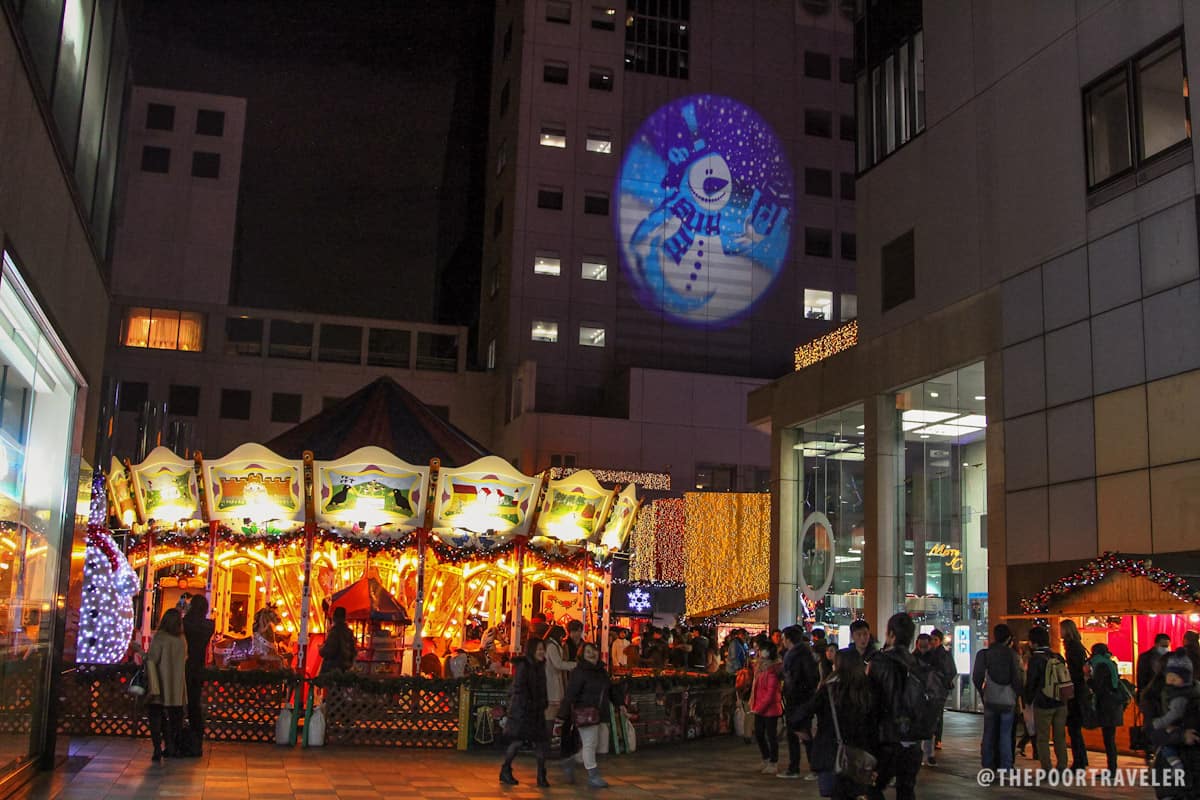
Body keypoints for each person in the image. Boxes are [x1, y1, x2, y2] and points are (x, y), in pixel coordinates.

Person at [797, 648, 878, 799]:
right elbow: (874, 726)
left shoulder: (828, 690)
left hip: (831, 753)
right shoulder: (867, 691)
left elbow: (800, 714)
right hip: (861, 756)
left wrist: (805, 734)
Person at [867, 613, 923, 800]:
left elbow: (871, 703)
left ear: (891, 634)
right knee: (906, 790)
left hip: (887, 738)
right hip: (913, 738)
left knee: (871, 787)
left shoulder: (879, 661)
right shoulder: (916, 663)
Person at [557, 642, 612, 788]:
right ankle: (593, 776)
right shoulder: (579, 672)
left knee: (595, 744)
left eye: (594, 651)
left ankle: (570, 762)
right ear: (582, 655)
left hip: (600, 712)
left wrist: (620, 704)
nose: (592, 654)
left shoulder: (602, 671)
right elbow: (571, 694)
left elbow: (610, 689)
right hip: (585, 712)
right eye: (588, 652)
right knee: (590, 744)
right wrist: (562, 714)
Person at [971, 623, 1023, 770]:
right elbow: (1017, 679)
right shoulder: (1012, 655)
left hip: (990, 699)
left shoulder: (985, 654)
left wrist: (983, 693)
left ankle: (987, 764)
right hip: (1008, 700)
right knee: (1005, 734)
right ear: (1008, 639)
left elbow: (977, 677)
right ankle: (1006, 766)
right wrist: (1016, 695)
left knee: (988, 733)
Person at [500, 638, 551, 787]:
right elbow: (519, 689)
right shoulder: (524, 666)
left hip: (537, 710)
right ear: (533, 651)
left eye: (543, 649)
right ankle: (506, 768)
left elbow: (542, 687)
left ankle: (541, 775)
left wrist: (543, 702)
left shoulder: (540, 666)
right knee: (518, 741)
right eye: (539, 649)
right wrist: (527, 705)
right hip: (524, 711)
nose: (542, 652)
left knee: (541, 743)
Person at [1024, 626, 1068, 772]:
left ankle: (1047, 768)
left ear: (1033, 642)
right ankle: (1062, 765)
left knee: (1042, 737)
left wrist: (1027, 700)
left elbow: (1031, 682)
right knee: (1059, 736)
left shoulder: (1036, 659)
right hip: (1061, 702)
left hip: (1043, 702)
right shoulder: (1058, 656)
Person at [146, 608, 187, 762]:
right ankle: (171, 747)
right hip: (176, 686)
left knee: (156, 717)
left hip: (159, 684)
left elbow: (152, 659)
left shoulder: (160, 637)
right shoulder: (181, 639)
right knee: (175, 718)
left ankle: (157, 748)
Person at [781, 625, 820, 780]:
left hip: (799, 700)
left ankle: (813, 767)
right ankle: (795, 767)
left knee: (803, 733)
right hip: (797, 699)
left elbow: (807, 678)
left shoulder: (798, 656)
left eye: (784, 638)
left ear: (788, 639)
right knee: (795, 733)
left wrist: (796, 692)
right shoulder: (797, 654)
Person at [1087, 642, 1125, 777]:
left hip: (1107, 705)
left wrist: (1088, 679)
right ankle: (1112, 768)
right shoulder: (1110, 663)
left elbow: (1098, 686)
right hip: (1114, 703)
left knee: (1109, 739)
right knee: (1110, 738)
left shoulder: (1101, 665)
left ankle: (1112, 769)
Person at [182, 595, 214, 747]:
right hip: (199, 665)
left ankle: (183, 733)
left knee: (183, 700)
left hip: (185, 664)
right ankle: (196, 733)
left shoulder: (186, 623)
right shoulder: (208, 626)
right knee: (195, 701)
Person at [919, 629, 955, 765]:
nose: (931, 642)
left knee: (932, 720)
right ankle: (929, 752)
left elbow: (950, 671)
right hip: (935, 692)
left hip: (934, 691)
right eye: (930, 640)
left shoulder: (938, 655)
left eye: (934, 639)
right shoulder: (936, 654)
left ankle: (929, 750)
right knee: (932, 720)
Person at [750, 638, 784, 775]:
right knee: (759, 733)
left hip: (770, 708)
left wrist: (760, 707)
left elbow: (771, 692)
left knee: (771, 735)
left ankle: (773, 762)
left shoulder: (773, 669)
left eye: (761, 649)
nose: (759, 652)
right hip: (759, 706)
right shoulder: (760, 667)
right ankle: (766, 758)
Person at [1059, 619, 1090, 769]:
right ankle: (1081, 758)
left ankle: (1079, 760)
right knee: (1075, 727)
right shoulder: (1076, 645)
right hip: (1078, 689)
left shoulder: (1073, 647)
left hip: (1075, 691)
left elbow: (1075, 670)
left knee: (1074, 727)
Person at [318, 607, 357, 675]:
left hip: (332, 668)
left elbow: (329, 650)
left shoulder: (334, 632)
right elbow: (353, 651)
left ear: (334, 617)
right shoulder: (349, 632)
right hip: (345, 668)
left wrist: (321, 649)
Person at [1139, 633, 1171, 700]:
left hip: (1166, 695)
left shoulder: (1171, 658)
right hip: (1150, 695)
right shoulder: (1145, 658)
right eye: (1163, 646)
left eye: (1167, 646)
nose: (1165, 648)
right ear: (1156, 644)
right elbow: (1141, 678)